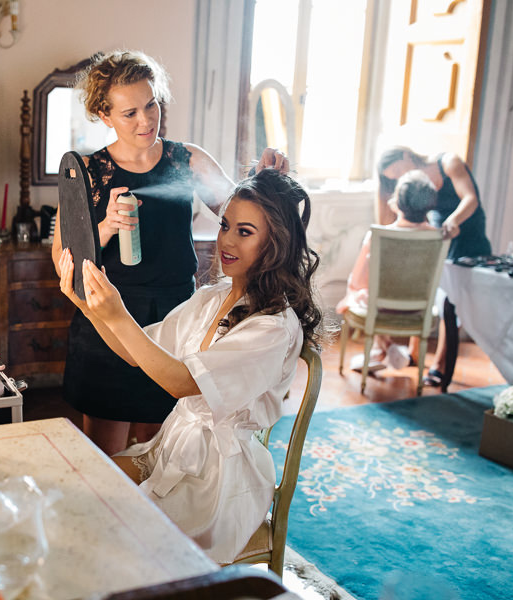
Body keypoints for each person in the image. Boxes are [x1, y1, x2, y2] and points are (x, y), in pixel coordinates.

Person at [57, 169, 322, 563]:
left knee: (112, 540)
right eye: (225, 225)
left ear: (277, 244)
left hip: (217, 484)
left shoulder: (273, 328)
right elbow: (137, 350)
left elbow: (181, 383)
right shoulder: (213, 297)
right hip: (173, 450)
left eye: (245, 232)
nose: (227, 240)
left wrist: (116, 313)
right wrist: (86, 305)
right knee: (80, 491)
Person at [51, 50, 289, 455]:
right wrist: (106, 226)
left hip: (176, 318)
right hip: (108, 321)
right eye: (129, 113)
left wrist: (267, 180)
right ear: (104, 116)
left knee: (162, 451)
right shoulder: (88, 173)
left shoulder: (187, 160)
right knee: (105, 459)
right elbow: (62, 261)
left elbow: (243, 213)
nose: (145, 120)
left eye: (151, 105)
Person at [375, 147, 492, 385]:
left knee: (453, 302)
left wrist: (453, 221)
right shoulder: (414, 186)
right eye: (392, 177)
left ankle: (440, 365)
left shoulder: (449, 162)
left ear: (407, 156)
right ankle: (415, 355)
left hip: (467, 232)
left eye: (397, 171)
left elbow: (471, 199)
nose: (397, 178)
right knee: (429, 293)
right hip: (441, 236)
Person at [338, 170, 438, 371]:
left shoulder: (377, 235)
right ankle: (381, 350)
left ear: (397, 203)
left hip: (381, 307)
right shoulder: (438, 237)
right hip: (419, 308)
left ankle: (382, 347)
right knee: (370, 295)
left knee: (358, 294)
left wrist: (357, 291)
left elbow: (358, 280)